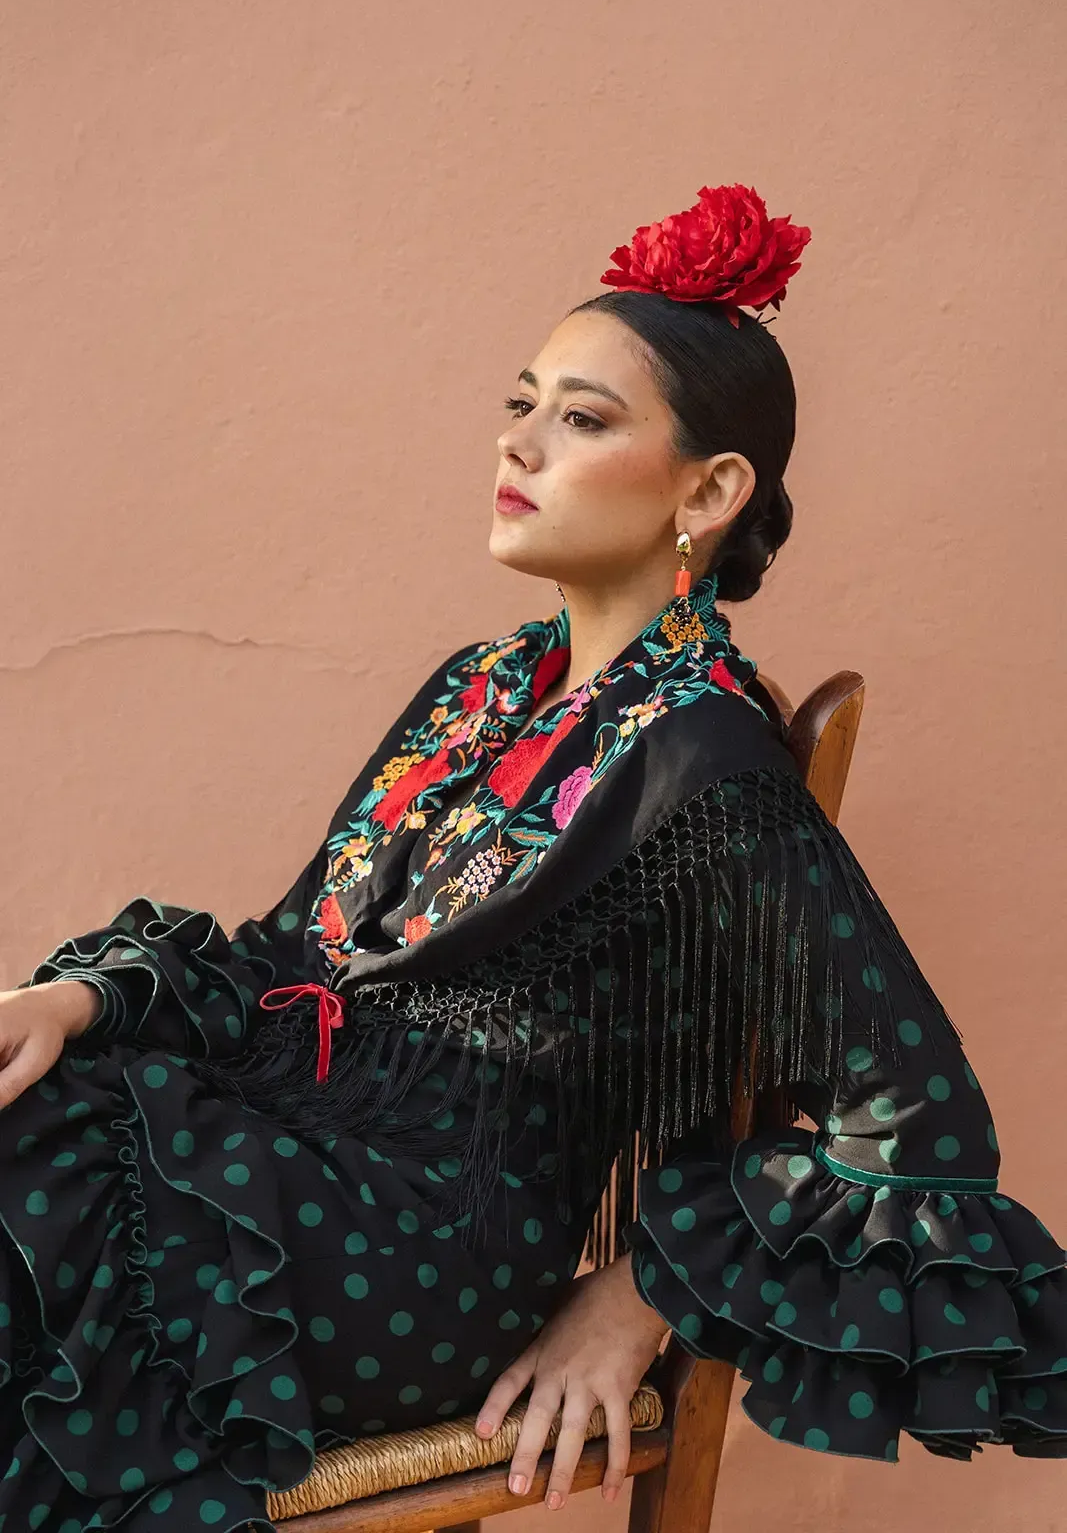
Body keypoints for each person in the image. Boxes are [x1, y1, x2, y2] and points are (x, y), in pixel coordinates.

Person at [1, 183, 1063, 1533]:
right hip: (298, 1158)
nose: (521, 442)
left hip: (423, 1246)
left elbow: (916, 1122)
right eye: (521, 402)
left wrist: (640, 1291)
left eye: (583, 418)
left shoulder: (705, 769)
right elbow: (293, 960)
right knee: (44, 1095)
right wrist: (75, 1000)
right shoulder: (480, 686)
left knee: (37, 1167)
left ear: (709, 490)